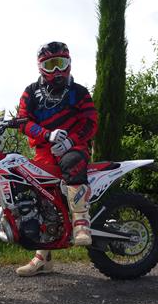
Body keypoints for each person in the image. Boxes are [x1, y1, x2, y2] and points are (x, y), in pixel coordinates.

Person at [15, 41, 98, 277]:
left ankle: (81, 223)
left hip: (75, 147)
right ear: (41, 67)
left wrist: (71, 141)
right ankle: (43, 257)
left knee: (72, 162)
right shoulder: (30, 92)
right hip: (44, 152)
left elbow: (91, 122)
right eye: (51, 65)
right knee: (38, 195)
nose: (57, 70)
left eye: (61, 63)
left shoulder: (79, 92)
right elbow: (23, 122)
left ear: (69, 63)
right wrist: (47, 135)